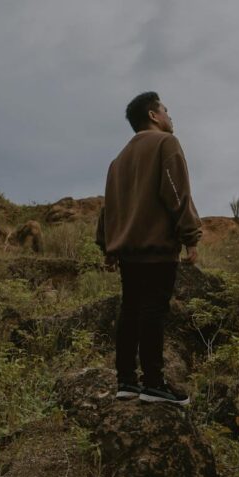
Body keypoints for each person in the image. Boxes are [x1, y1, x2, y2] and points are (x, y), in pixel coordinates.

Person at [95, 92, 202, 405]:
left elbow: (110, 207)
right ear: (154, 115)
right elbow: (177, 192)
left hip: (128, 252)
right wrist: (190, 236)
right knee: (154, 311)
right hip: (156, 248)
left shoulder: (118, 160)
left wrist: (108, 248)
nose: (170, 114)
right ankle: (154, 383)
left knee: (130, 310)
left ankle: (126, 381)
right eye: (166, 109)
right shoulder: (166, 144)